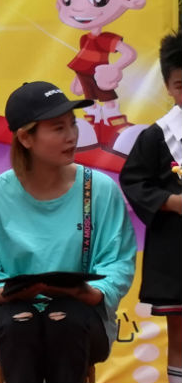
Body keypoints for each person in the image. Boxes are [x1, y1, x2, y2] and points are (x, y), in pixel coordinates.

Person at [0, 81, 136, 383]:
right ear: (25, 138)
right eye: (58, 128)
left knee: (64, 319)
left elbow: (117, 261)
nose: (71, 136)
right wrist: (1, 293)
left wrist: (91, 292)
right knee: (19, 322)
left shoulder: (99, 189)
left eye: (72, 124)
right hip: (10, 316)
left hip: (82, 315)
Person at [119, 31, 182, 383]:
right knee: (180, 333)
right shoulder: (157, 136)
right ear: (169, 87)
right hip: (175, 252)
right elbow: (134, 181)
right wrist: (172, 202)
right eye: (181, 85)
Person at [43, 0, 146, 145]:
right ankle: (91, 126)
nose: (77, 8)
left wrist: (115, 68)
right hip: (85, 75)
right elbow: (82, 59)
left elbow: (129, 53)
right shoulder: (86, 39)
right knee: (89, 101)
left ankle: (116, 128)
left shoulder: (106, 39)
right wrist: (77, 79)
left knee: (108, 100)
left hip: (101, 76)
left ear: (131, 0)